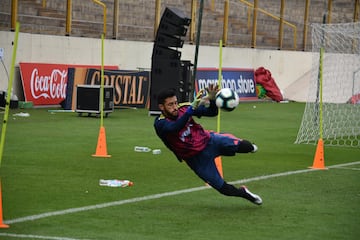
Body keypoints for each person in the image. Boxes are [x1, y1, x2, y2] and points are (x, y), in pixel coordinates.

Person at [153, 84, 262, 205]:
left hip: (210, 141)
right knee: (223, 189)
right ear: (161, 107)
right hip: (196, 159)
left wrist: (213, 100)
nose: (175, 107)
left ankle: (250, 147)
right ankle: (243, 192)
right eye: (170, 105)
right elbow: (176, 126)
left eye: (175, 103)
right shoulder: (160, 123)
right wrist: (192, 108)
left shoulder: (183, 108)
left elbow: (212, 112)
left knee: (247, 147)